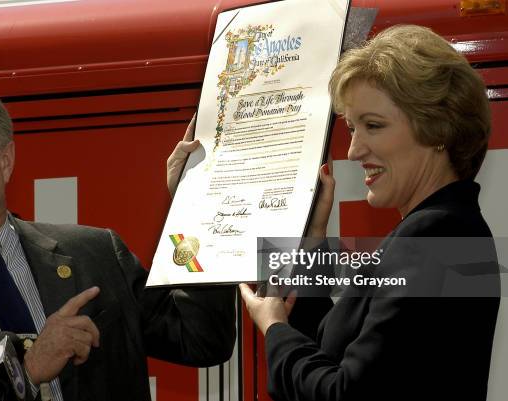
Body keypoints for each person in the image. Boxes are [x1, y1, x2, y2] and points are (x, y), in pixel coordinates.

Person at [171, 24, 500, 400]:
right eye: (351, 128)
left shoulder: (432, 235)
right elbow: (332, 350)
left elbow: (343, 392)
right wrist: (310, 244)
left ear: (438, 128)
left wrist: (274, 329)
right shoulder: (446, 227)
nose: (355, 150)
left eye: (373, 126)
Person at [0, 81, 236, 401]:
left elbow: (202, 340)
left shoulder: (97, 254)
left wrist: (194, 207)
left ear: (5, 161)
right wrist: (24, 372)